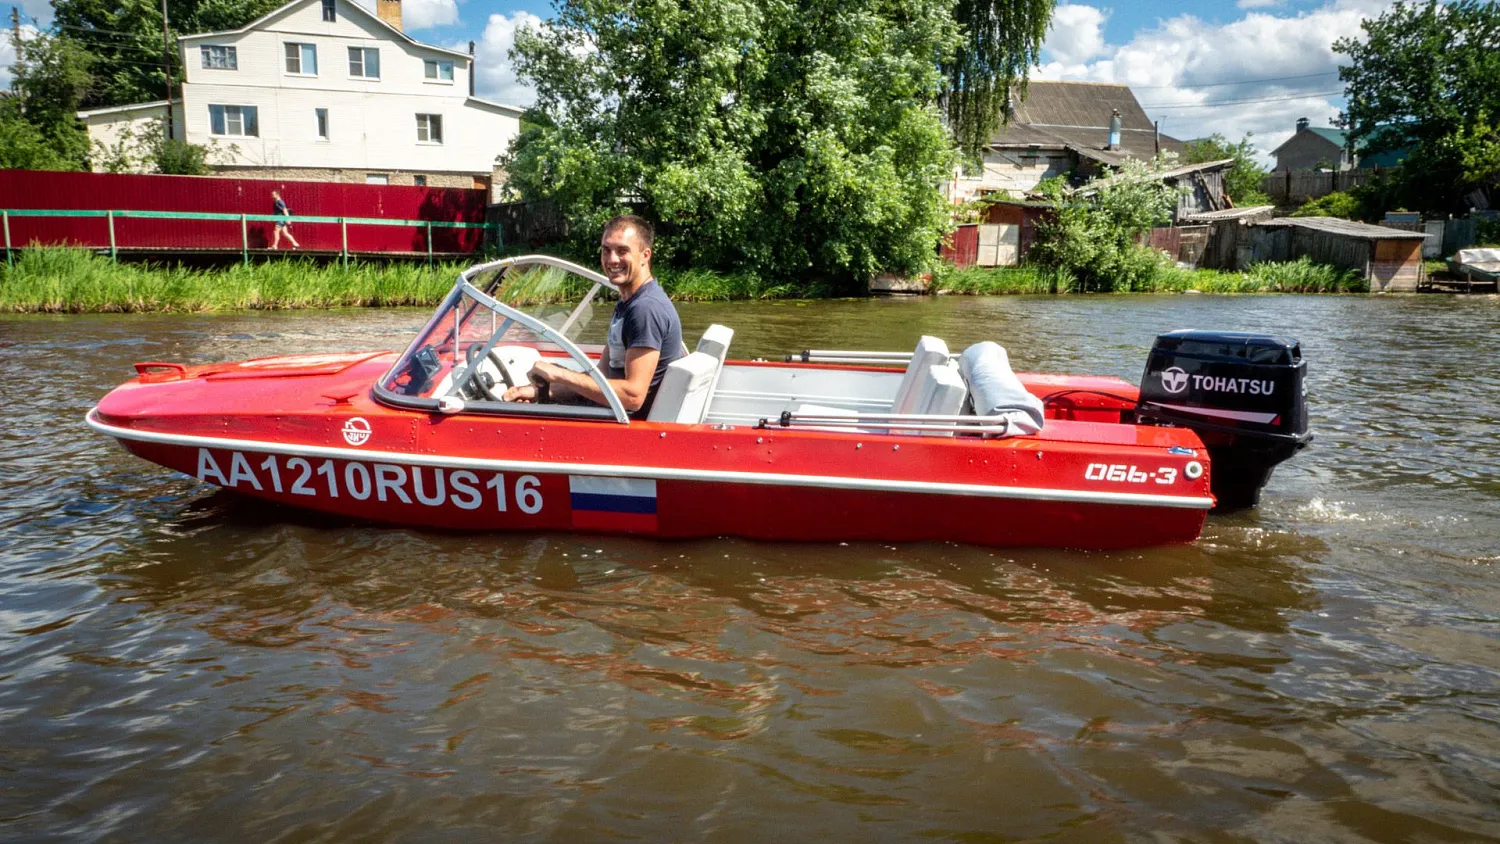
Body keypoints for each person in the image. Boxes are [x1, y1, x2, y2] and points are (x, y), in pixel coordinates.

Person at [503, 215, 684, 417]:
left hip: (625, 425)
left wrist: (559, 374)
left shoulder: (645, 309)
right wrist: (539, 390)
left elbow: (633, 397)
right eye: (606, 250)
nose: (612, 259)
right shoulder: (628, 303)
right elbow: (603, 376)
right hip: (611, 413)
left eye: (622, 251)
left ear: (645, 255)